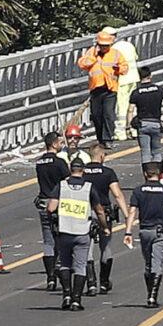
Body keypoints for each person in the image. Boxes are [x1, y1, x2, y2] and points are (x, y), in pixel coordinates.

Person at [126, 159, 163, 307]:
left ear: (145, 174)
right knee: (157, 263)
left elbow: (132, 212)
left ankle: (149, 292)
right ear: (160, 174)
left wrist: (128, 232)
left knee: (148, 264)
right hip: (159, 231)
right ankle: (152, 296)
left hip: (144, 231)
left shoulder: (138, 191)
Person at [81, 145, 130, 294]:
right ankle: (104, 282)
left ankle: (91, 283)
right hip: (104, 212)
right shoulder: (108, 172)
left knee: (87, 249)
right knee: (105, 247)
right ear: (101, 156)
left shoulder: (82, 172)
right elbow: (117, 194)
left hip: (86, 212)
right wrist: (127, 215)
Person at [53, 151, 97, 309]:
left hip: (64, 232)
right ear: (83, 170)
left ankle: (66, 295)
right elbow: (98, 210)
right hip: (82, 232)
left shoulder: (62, 186)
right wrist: (103, 226)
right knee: (80, 266)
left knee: (65, 264)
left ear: (70, 169)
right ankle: (76, 299)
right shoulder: (88, 188)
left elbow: (51, 207)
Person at [33, 129, 72, 290]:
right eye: (60, 142)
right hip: (58, 202)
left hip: (43, 201)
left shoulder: (39, 163)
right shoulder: (59, 162)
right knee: (61, 239)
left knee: (48, 241)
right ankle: (59, 269)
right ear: (54, 144)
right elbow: (68, 181)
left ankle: (50, 277)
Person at [76, 29, 124, 146]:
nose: (104, 48)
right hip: (96, 89)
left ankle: (107, 139)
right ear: (97, 45)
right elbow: (82, 64)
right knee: (97, 115)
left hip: (110, 88)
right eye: (102, 46)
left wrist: (118, 69)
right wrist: (94, 56)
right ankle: (100, 139)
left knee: (108, 114)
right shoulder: (91, 52)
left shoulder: (115, 53)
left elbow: (124, 66)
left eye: (106, 46)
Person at [129, 74, 163, 168]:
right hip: (156, 123)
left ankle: (148, 175)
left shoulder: (136, 92)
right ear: (150, 76)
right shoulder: (159, 89)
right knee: (156, 151)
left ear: (139, 77)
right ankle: (159, 175)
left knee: (145, 153)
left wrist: (129, 126)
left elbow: (130, 110)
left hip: (143, 124)